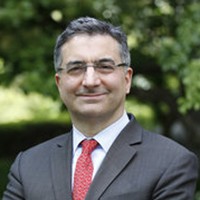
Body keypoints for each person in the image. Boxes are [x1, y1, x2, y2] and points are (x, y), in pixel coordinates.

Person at [3, 17, 199, 200]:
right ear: (59, 83)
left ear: (127, 79)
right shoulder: (27, 165)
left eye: (105, 66)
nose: (90, 81)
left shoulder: (171, 162)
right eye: (76, 68)